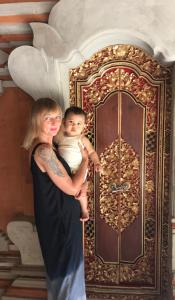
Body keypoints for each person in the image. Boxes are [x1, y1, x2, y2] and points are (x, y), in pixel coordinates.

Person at [23, 98, 88, 300]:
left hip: (61, 221)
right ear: (36, 121)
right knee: (67, 280)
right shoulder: (43, 151)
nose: (55, 122)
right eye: (48, 118)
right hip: (60, 224)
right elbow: (71, 187)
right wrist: (86, 160)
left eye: (58, 117)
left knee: (65, 279)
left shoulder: (49, 149)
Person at [54, 106, 102, 221]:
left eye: (79, 123)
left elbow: (91, 152)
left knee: (81, 192)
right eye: (71, 122)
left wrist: (97, 162)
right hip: (64, 171)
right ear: (64, 122)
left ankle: (84, 210)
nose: (74, 126)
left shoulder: (82, 139)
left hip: (78, 169)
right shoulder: (60, 137)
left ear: (84, 125)